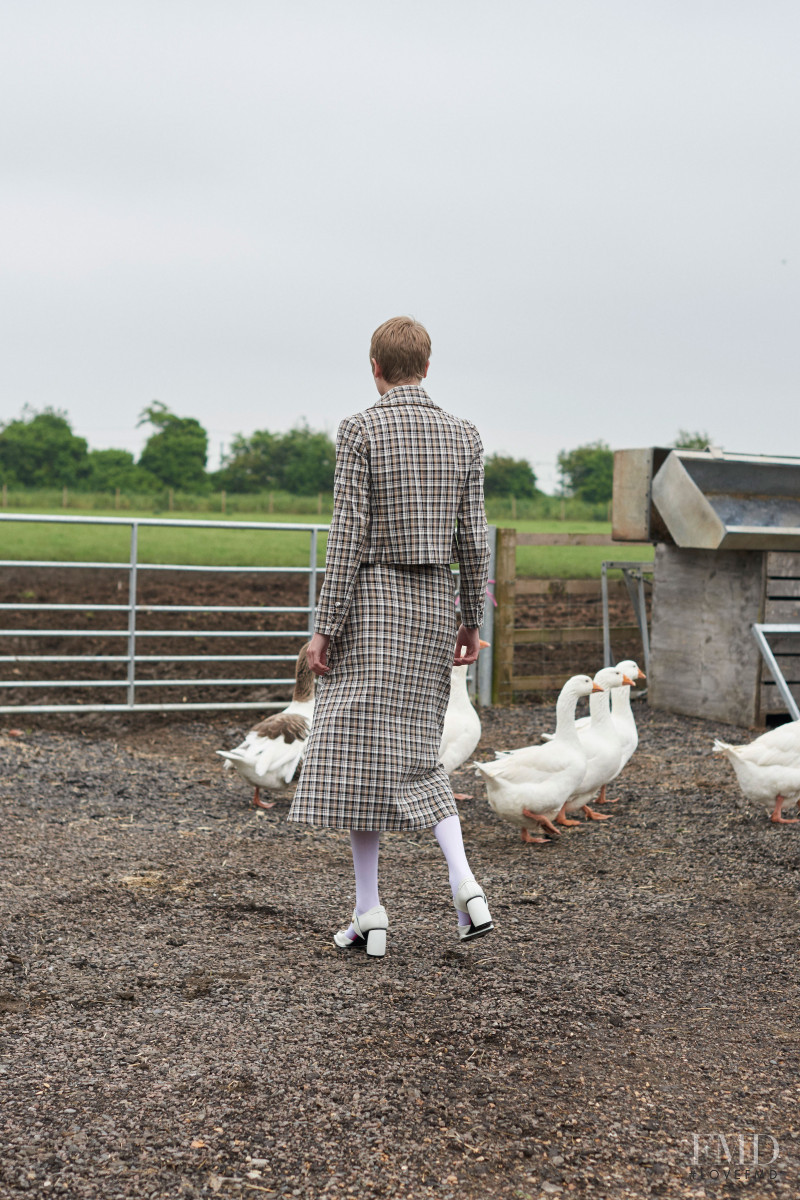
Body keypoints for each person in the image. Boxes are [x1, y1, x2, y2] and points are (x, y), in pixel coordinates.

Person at [288, 316, 492, 957]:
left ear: (374, 367)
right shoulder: (463, 435)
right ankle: (461, 885)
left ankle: (372, 909)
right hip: (433, 604)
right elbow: (474, 534)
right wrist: (470, 620)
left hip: (372, 605)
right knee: (415, 752)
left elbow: (347, 537)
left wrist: (324, 628)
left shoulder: (360, 429)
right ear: (427, 367)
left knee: (357, 759)